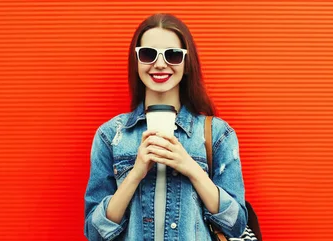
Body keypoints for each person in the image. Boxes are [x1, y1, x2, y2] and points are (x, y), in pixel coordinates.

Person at [83, 13, 248, 240]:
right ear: (137, 61)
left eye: (173, 55)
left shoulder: (218, 135)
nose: (160, 64)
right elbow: (94, 233)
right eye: (148, 54)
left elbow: (236, 224)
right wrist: (136, 174)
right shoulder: (111, 135)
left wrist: (190, 167)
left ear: (186, 63)